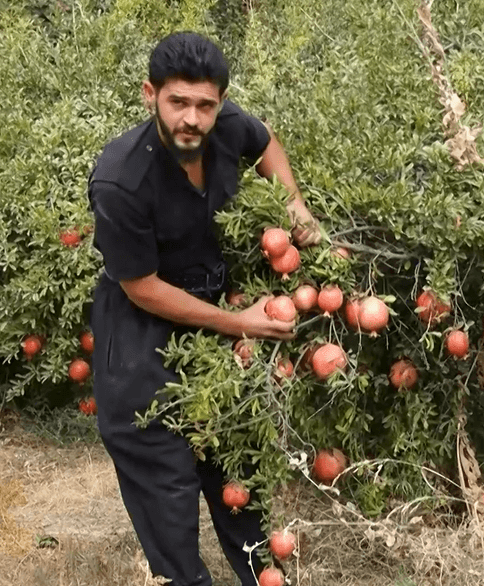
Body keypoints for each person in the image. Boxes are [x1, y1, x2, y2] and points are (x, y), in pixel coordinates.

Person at [86, 31, 320, 586]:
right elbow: (141, 286)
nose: (191, 118)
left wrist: (294, 203)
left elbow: (264, 142)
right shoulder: (122, 179)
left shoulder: (223, 126)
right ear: (150, 95)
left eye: (205, 105)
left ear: (218, 101)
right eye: (178, 102)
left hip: (212, 322)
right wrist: (240, 322)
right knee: (168, 493)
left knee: (236, 473)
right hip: (140, 342)